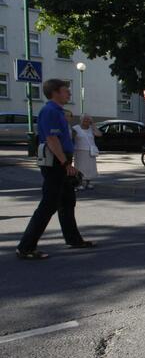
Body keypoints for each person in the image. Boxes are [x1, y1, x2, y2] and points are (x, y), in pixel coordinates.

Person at [16, 79, 95, 260]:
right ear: (55, 92)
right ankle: (25, 247)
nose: (69, 94)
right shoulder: (50, 111)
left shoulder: (59, 112)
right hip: (55, 163)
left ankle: (73, 239)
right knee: (49, 204)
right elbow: (52, 140)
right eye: (66, 91)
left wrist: (68, 162)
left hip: (61, 160)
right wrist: (65, 164)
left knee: (67, 201)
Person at [72, 114, 101, 190]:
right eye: (85, 119)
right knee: (80, 167)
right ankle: (79, 183)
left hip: (90, 151)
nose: (86, 121)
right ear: (81, 120)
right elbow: (71, 138)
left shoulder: (91, 128)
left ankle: (88, 183)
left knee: (90, 168)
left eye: (88, 120)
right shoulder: (75, 128)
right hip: (80, 151)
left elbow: (99, 134)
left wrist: (93, 125)